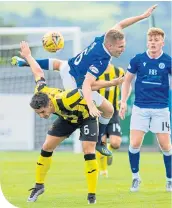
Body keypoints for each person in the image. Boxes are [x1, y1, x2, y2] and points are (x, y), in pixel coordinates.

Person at [12, 5, 157, 156]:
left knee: (56, 63)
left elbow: (121, 24)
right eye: (120, 47)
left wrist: (142, 17)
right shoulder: (102, 60)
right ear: (110, 45)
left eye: (124, 46)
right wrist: (91, 105)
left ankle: (25, 62)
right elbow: (88, 85)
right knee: (108, 109)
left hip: (68, 66)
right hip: (73, 82)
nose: (123, 49)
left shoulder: (104, 38)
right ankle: (98, 141)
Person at [18, 41, 114, 204]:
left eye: (42, 112)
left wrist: (112, 83)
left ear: (49, 104)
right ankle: (39, 186)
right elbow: (38, 72)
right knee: (47, 147)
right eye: (38, 113)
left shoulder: (67, 98)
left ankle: (91, 195)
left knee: (87, 149)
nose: (41, 115)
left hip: (86, 116)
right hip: (67, 118)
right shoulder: (40, 93)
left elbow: (87, 87)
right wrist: (28, 56)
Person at [119, 27, 172, 192]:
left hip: (161, 108)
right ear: (147, 42)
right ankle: (135, 178)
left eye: (156, 41)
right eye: (150, 40)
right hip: (140, 108)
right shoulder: (138, 59)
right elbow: (127, 81)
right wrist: (123, 101)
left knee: (165, 146)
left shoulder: (168, 61)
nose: (153, 43)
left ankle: (169, 180)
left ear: (162, 43)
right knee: (135, 143)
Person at [96, 63, 125, 177]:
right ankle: (103, 171)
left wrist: (123, 100)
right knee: (101, 142)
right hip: (99, 112)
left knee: (116, 143)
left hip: (113, 113)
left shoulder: (118, 71)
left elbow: (127, 84)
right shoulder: (95, 72)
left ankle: (109, 152)